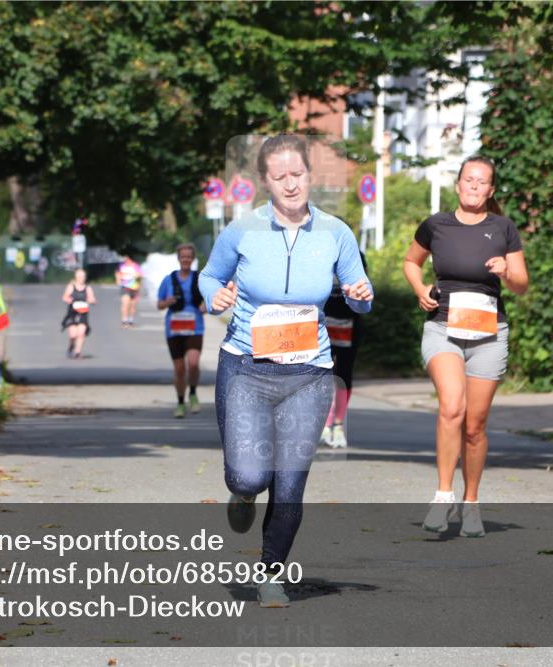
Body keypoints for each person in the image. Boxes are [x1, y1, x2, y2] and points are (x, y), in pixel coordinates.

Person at [199, 135, 373, 608]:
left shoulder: (335, 232)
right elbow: (210, 276)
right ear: (265, 181)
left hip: (310, 374)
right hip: (246, 369)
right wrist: (213, 296)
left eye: (298, 174)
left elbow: (362, 293)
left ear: (309, 175)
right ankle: (243, 493)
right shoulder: (243, 230)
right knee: (249, 477)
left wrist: (359, 293)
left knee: (291, 483)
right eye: (280, 177)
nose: (291, 184)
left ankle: (271, 573)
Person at [402, 155, 529, 538]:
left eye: (482, 182)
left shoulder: (503, 228)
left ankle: (470, 501)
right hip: (443, 328)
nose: (474, 187)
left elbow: (522, 284)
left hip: (489, 333)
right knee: (451, 406)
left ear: (491, 190)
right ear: (458, 185)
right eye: (468, 180)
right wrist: (420, 288)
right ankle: (443, 496)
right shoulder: (436, 225)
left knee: (474, 427)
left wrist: (507, 272)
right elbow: (411, 262)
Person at [320, 252, 368, 448]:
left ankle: (338, 423)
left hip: (349, 323)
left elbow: (364, 289)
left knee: (344, 374)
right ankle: (323, 424)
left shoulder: (356, 256)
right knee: (320, 374)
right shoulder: (316, 253)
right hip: (320, 323)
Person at [157, 243, 206, 418]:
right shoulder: (168, 280)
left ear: (193, 259)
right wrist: (167, 302)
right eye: (182, 256)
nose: (185, 259)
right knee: (179, 368)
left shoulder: (200, 279)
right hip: (174, 328)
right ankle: (180, 402)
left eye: (188, 257)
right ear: (178, 259)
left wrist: (204, 306)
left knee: (193, 363)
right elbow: (159, 304)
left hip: (195, 326)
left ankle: (192, 392)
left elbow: (209, 301)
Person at [61, 268, 97, 359]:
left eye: (83, 277)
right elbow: (64, 297)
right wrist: (70, 300)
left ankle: (78, 352)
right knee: (73, 335)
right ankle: (71, 347)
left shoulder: (87, 288)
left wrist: (91, 301)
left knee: (81, 333)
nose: (82, 278)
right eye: (80, 276)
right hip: (72, 313)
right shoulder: (71, 286)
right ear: (76, 277)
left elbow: (93, 299)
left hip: (83, 313)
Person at [115, 255, 143, 327]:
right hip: (125, 287)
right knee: (125, 304)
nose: (126, 259)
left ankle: (131, 321)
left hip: (134, 288)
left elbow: (140, 276)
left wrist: (139, 285)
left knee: (132, 305)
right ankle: (124, 321)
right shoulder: (122, 266)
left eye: (128, 258)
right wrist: (118, 280)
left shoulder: (136, 266)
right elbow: (117, 273)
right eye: (125, 258)